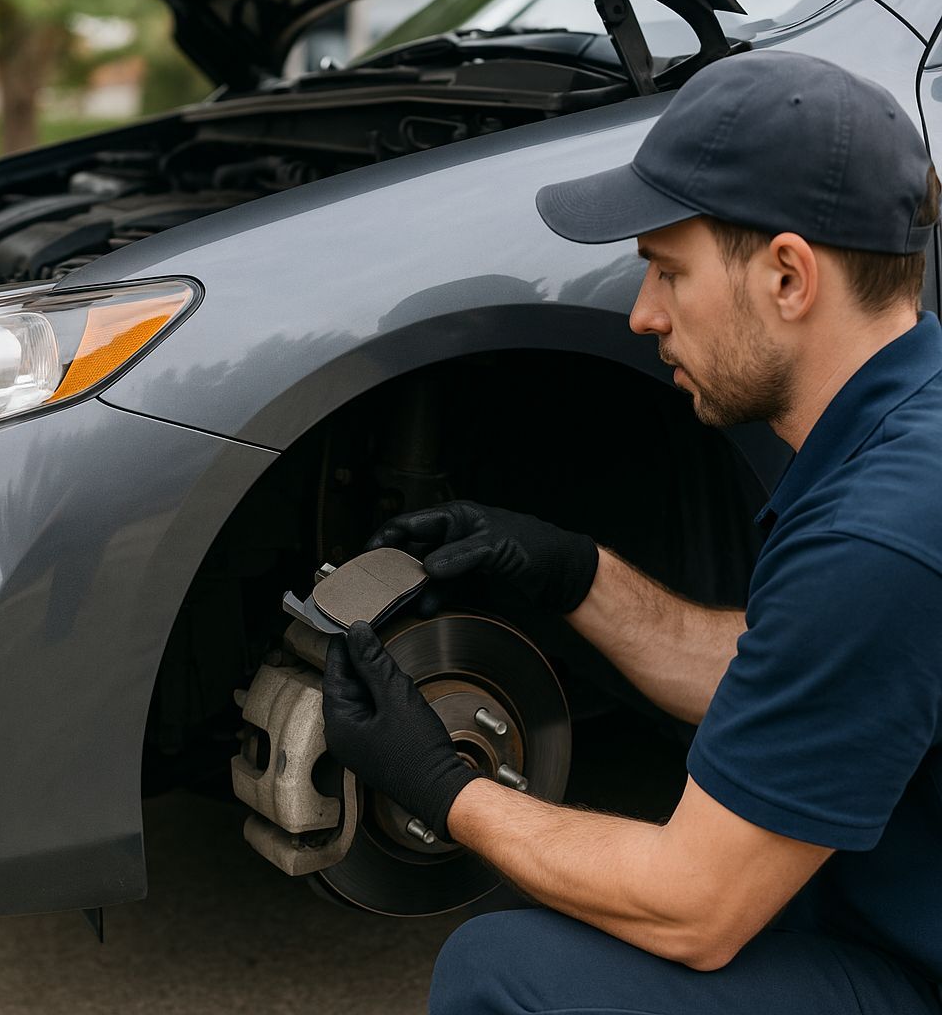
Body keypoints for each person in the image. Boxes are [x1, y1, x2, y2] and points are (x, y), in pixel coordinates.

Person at [320, 49, 942, 1015]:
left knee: (505, 976)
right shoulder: (909, 435)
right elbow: (787, 668)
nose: (644, 315)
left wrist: (446, 787)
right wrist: (568, 571)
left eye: (668, 271)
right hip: (901, 908)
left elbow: (694, 909)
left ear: (788, 276)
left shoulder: (877, 537)